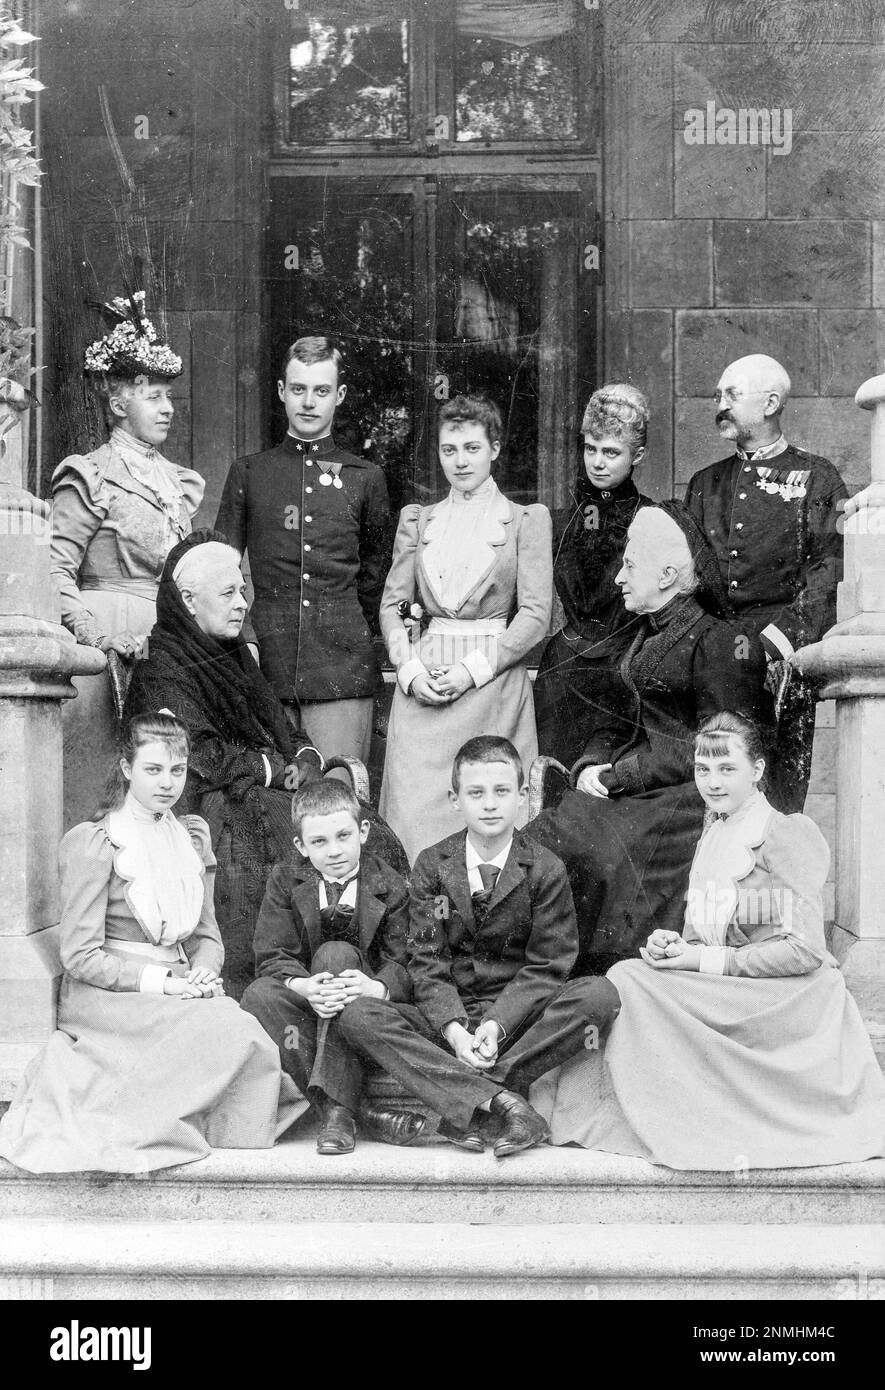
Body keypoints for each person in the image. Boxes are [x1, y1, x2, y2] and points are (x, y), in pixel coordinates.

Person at [530, 712, 885, 1169]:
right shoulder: (714, 831)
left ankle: (668, 1119)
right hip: (736, 987)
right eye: (703, 769)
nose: (713, 783)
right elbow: (704, 933)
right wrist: (674, 946)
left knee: (628, 982)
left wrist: (702, 959)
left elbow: (804, 949)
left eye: (727, 769)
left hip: (789, 998)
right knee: (632, 974)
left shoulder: (786, 835)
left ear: (757, 770)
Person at [0, 713, 306, 1174]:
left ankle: (206, 1119)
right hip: (109, 995)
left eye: (177, 771)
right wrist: (164, 983)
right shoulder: (97, 843)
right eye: (153, 770)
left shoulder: (190, 837)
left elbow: (206, 935)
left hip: (178, 983)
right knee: (224, 1031)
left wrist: (203, 969)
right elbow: (80, 956)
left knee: (244, 1034)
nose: (167, 784)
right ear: (126, 768)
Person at [124, 530, 408, 997]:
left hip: (261, 786)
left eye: (243, 591)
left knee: (360, 833)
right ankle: (284, 981)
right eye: (228, 593)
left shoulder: (234, 656)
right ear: (189, 601)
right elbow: (196, 755)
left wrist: (303, 759)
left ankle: (361, 973)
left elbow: (280, 726)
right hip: (213, 803)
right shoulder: (163, 668)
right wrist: (276, 770)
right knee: (282, 854)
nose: (241, 604)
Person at [336, 737, 621, 1158]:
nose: (490, 804)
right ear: (455, 800)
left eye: (502, 792)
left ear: (523, 797)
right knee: (359, 1013)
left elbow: (547, 966)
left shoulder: (544, 868)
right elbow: (426, 960)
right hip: (446, 1018)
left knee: (599, 994)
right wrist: (454, 1031)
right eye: (476, 793)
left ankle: (470, 1104)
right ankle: (504, 1104)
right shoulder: (433, 866)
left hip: (516, 1021)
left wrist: (495, 1025)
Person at [528, 502, 775, 976]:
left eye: (630, 565)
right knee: (546, 837)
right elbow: (617, 720)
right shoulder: (640, 636)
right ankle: (547, 968)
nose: (619, 578)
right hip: (640, 789)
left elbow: (717, 750)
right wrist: (593, 765)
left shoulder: (719, 641)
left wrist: (622, 776)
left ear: (666, 575)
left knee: (591, 848)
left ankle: (610, 971)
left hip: (688, 801)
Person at [51, 292, 204, 827]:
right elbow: (55, 571)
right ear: (119, 404)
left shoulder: (177, 483)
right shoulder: (89, 474)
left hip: (165, 646)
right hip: (106, 646)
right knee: (101, 785)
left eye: (169, 397)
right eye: (154, 397)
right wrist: (93, 635)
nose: (167, 409)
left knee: (166, 786)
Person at [378, 395, 552, 863]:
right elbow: (393, 607)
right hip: (424, 686)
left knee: (489, 816)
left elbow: (536, 616)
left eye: (472, 448)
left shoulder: (525, 521)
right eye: (449, 449)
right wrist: (410, 670)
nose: (460, 461)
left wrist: (472, 671)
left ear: (495, 449)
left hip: (491, 683)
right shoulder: (417, 519)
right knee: (415, 819)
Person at [214, 335, 390, 767]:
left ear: (339, 396)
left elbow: (375, 574)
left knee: (339, 798)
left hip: (342, 671)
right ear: (280, 392)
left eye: (321, 390)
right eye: (298, 389)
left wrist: (346, 627)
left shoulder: (365, 478)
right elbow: (220, 569)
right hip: (265, 666)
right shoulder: (250, 473)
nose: (309, 402)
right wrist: (248, 640)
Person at [684, 353, 848, 812]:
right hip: (712, 650)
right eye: (718, 395)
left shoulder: (818, 479)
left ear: (771, 402)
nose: (720, 405)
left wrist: (778, 640)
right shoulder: (704, 483)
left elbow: (829, 574)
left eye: (731, 395)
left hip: (780, 650)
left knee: (773, 796)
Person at [241, 781, 426, 1156]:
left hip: (365, 1012)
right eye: (320, 842)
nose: (335, 850)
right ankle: (357, 1111)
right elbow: (272, 953)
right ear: (301, 846)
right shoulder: (284, 879)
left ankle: (338, 1113)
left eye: (343, 836)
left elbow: (405, 962)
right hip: (311, 1007)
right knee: (258, 994)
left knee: (336, 954)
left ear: (363, 832)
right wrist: (305, 986)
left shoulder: (390, 885)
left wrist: (373, 987)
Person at [534, 384, 652, 766]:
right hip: (563, 667)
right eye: (591, 449)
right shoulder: (561, 516)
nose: (598, 462)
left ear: (638, 456)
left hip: (621, 669)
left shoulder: (652, 518)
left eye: (612, 452)